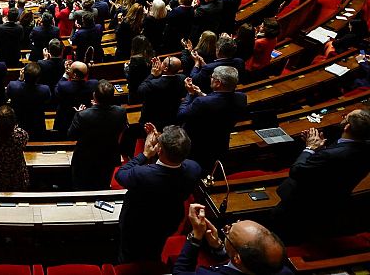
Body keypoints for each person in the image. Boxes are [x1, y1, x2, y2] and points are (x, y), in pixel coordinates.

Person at [272, 109, 370, 242]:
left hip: (302, 205)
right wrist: (321, 150)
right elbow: (333, 168)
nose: (342, 118)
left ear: (347, 126)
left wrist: (310, 148)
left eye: (345, 117)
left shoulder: (330, 155)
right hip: (332, 203)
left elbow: (297, 171)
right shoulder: (364, 149)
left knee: (282, 233)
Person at [115, 124, 201, 263]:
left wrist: (145, 154)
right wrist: (162, 142)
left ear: (159, 150)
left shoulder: (143, 174)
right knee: (155, 249)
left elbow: (120, 174)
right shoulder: (194, 169)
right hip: (169, 220)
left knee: (129, 255)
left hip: (137, 224)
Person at [174, 203, 293, 275]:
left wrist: (196, 236)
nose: (228, 226)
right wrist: (219, 248)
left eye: (228, 232)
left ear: (237, 258)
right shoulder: (283, 270)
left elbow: (180, 272)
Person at [178, 66, 247, 173]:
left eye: (212, 77)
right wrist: (201, 94)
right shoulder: (242, 98)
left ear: (218, 83)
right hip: (221, 141)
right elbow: (219, 102)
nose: (210, 78)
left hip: (198, 145)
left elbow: (181, 115)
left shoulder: (201, 102)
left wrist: (190, 94)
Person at [68, 80, 127, 190]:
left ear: (94, 95)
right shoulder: (121, 112)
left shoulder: (83, 115)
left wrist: (80, 113)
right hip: (108, 156)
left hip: (85, 158)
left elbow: (71, 135)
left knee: (81, 188)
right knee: (102, 185)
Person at [138, 56, 186, 130]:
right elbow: (165, 79)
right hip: (172, 119)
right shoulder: (182, 78)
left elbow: (140, 90)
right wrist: (161, 73)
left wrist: (152, 75)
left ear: (166, 68)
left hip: (153, 121)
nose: (160, 63)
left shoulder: (153, 84)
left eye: (162, 62)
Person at [6, 62, 51, 139]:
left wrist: (20, 79)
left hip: (19, 124)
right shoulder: (45, 90)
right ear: (38, 77)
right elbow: (47, 101)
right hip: (37, 125)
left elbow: (9, 94)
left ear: (24, 74)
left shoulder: (13, 86)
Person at [54, 61, 98, 135]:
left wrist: (66, 74)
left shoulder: (63, 86)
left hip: (65, 121)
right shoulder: (94, 84)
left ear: (74, 75)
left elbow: (56, 89)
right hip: (86, 120)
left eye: (70, 69)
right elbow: (91, 80)